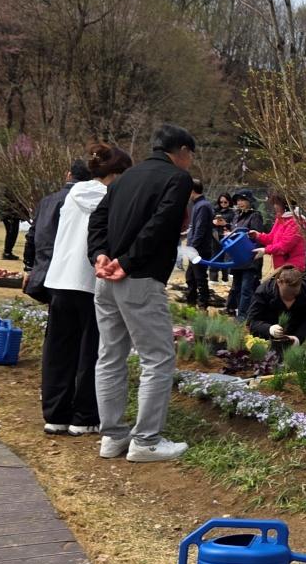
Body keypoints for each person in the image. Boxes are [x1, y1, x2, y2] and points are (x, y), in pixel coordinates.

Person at [87, 124, 195, 463]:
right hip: (139, 277)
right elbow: (161, 225)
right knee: (158, 358)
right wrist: (128, 262)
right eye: (190, 155)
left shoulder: (125, 178)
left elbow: (98, 220)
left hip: (106, 280)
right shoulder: (176, 179)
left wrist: (100, 254)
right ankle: (146, 441)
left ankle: (113, 436)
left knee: (110, 356)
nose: (190, 162)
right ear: (181, 152)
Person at [42, 144, 132, 436]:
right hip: (92, 282)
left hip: (60, 280)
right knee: (91, 351)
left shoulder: (72, 195)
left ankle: (55, 414)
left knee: (59, 349)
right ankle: (84, 416)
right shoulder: (114, 199)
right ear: (117, 173)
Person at [24, 160, 93, 304]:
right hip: (74, 272)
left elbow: (32, 235)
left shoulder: (47, 201)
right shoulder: (91, 202)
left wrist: (29, 267)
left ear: (68, 175)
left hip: (44, 267)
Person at [247, 265, 306, 364]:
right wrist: (269, 329)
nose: (290, 299)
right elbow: (252, 322)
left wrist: (298, 338)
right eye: (286, 295)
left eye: (294, 295)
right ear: (278, 282)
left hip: (295, 343)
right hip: (267, 344)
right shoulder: (263, 292)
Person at [225, 189, 266, 318]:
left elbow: (257, 237)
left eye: (243, 200)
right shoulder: (236, 216)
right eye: (238, 200)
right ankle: (234, 311)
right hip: (237, 258)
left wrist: (255, 257)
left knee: (246, 290)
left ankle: (243, 317)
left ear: (249, 201)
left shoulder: (255, 216)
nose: (240, 203)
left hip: (249, 258)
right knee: (236, 288)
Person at [249, 193, 306, 271]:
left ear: (286, 205)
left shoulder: (295, 222)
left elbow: (284, 246)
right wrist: (258, 235)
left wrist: (266, 250)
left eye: (277, 204)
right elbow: (271, 238)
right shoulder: (280, 219)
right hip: (281, 266)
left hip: (292, 267)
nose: (274, 206)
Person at [183, 179, 214, 309]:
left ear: (192, 190)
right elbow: (195, 227)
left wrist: (193, 248)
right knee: (190, 277)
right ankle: (191, 305)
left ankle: (202, 307)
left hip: (199, 250)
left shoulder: (202, 206)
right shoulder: (198, 205)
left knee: (200, 278)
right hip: (195, 248)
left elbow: (200, 229)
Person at [209, 192, 235, 283]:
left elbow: (235, 226)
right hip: (215, 237)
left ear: (229, 202)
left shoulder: (233, 212)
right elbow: (208, 223)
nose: (223, 204)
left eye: (225, 202)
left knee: (226, 258)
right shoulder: (214, 211)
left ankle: (225, 278)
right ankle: (213, 278)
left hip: (227, 238)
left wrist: (226, 224)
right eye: (221, 202)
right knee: (215, 257)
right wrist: (213, 222)